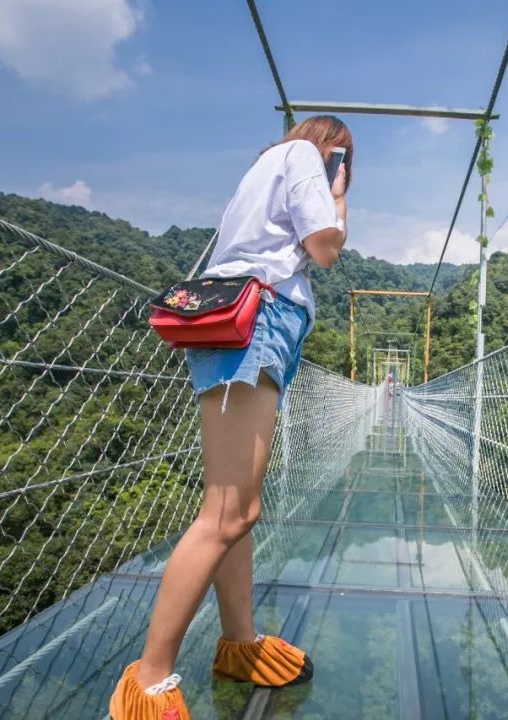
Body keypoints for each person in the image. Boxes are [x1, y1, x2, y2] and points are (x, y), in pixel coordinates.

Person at [109, 116, 352, 720]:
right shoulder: (301, 156)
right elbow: (325, 247)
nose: (337, 171)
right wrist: (338, 194)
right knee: (228, 512)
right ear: (330, 149)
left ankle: (239, 645)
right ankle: (147, 681)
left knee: (237, 509)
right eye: (340, 160)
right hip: (256, 325)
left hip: (248, 325)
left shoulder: (265, 166)